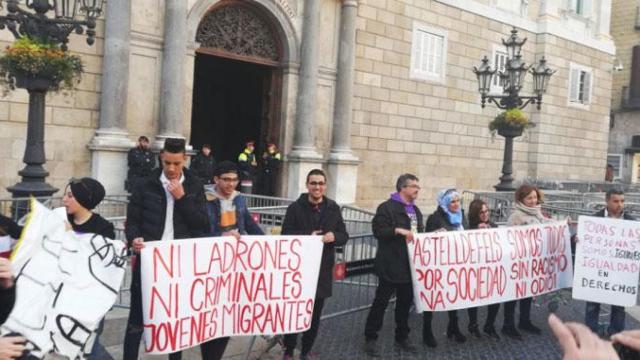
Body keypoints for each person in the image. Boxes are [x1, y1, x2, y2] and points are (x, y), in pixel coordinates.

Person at [0, 177, 115, 359]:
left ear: (83, 200)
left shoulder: (104, 228)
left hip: (82, 302)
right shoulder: (56, 218)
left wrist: (70, 236)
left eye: (70, 196)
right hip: (53, 300)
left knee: (87, 346)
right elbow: (28, 236)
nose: (64, 200)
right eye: (65, 195)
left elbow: (99, 266)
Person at [123, 138, 209, 360]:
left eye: (176, 164)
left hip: (178, 264)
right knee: (137, 320)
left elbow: (201, 223)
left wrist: (182, 198)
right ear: (161, 158)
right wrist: (134, 239)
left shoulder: (194, 185)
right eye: (167, 163)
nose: (171, 168)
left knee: (175, 320)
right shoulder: (145, 183)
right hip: (149, 261)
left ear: (185, 160)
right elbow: (132, 220)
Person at [281, 169, 348, 360]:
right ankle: (288, 350)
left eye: (320, 183)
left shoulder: (333, 208)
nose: (317, 187)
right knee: (294, 311)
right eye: (313, 183)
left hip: (322, 270)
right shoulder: (295, 208)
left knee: (315, 314)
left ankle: (306, 350)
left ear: (325, 186)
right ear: (307, 185)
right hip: (298, 269)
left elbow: (344, 235)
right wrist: (306, 237)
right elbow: (285, 234)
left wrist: (334, 236)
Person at [364, 174, 423, 357]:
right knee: (381, 303)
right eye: (413, 186)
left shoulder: (416, 210)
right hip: (389, 265)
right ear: (402, 188)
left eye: (417, 187)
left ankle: (402, 336)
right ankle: (371, 337)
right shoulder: (386, 207)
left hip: (408, 266)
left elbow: (419, 234)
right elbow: (378, 231)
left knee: (404, 304)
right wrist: (397, 230)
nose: (417, 190)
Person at [585, 188, 635, 337]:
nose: (620, 204)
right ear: (606, 201)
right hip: (597, 272)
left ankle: (616, 336)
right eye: (616, 201)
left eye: (622, 201)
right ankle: (591, 335)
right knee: (592, 305)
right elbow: (585, 243)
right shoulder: (594, 219)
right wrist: (579, 240)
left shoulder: (632, 222)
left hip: (621, 273)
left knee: (619, 307)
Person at [502, 184, 548, 339]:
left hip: (531, 261)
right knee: (513, 294)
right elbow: (510, 239)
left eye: (535, 197)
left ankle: (524, 320)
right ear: (522, 199)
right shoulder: (516, 216)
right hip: (517, 261)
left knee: (528, 292)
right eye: (529, 198)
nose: (533, 201)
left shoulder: (537, 213)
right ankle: (508, 325)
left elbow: (547, 226)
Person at [423, 189, 469, 344]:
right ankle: (427, 330)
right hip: (438, 264)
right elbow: (425, 240)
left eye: (458, 201)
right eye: (452, 201)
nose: (456, 204)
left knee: (453, 297)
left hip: (457, 263)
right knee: (432, 297)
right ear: (444, 203)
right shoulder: (435, 218)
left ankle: (453, 326)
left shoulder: (462, 217)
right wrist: (435, 233)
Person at [467, 199, 501, 340]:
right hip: (475, 269)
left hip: (491, 268)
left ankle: (489, 325)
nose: (485, 214)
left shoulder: (493, 226)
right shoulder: (468, 228)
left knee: (495, 298)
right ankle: (473, 324)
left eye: (487, 211)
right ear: (475, 214)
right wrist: (476, 232)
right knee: (474, 298)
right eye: (481, 212)